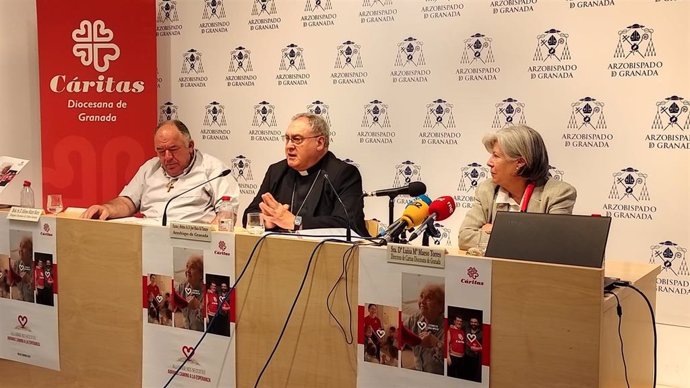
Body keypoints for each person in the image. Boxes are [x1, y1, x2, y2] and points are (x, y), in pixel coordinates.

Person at [81, 120, 239, 224]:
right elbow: (127, 201)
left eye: (173, 149)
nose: (167, 157)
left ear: (190, 146)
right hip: (148, 242)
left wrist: (207, 241)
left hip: (193, 248)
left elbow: (227, 213)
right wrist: (107, 209)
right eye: (161, 151)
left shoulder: (214, 169)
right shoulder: (150, 168)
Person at [243, 113, 368, 236]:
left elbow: (348, 224)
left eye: (297, 139)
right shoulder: (277, 171)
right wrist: (268, 221)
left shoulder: (343, 174)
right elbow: (249, 215)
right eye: (287, 139)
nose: (289, 146)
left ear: (319, 143)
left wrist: (296, 222)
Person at [458, 125, 577, 249]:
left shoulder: (559, 193)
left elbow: (552, 244)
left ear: (519, 163)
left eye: (496, 156)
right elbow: (465, 238)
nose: (489, 162)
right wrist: (524, 237)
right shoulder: (487, 189)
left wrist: (498, 231)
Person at [403, 283, 445, 375]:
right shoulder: (414, 319)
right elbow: (399, 333)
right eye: (421, 296)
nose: (422, 301)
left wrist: (436, 343)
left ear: (441, 306)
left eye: (429, 298)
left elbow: (453, 362)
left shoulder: (447, 327)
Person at [175, 255, 204, 331]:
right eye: (187, 266)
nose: (188, 270)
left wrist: (199, 306)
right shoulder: (182, 287)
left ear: (201, 274)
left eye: (192, 268)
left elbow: (211, 322)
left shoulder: (207, 293)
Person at [461, 317, 483, 382]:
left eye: (475, 322)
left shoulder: (482, 333)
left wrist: (477, 349)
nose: (473, 323)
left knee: (472, 377)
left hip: (475, 358)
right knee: (463, 376)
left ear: (478, 324)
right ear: (470, 323)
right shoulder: (466, 329)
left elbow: (485, 347)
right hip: (464, 356)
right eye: (472, 322)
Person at [12, 237, 34, 302]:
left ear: (30, 252)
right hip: (20, 301)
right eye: (20, 247)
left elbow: (38, 291)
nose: (20, 250)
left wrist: (29, 280)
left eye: (24, 247)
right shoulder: (17, 264)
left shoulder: (35, 266)